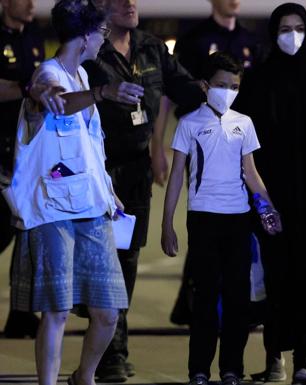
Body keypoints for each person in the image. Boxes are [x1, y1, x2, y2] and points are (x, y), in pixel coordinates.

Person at [3, 0, 144, 383]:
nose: (103, 40)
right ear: (85, 36)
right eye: (100, 33)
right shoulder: (48, 74)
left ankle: (84, 375)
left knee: (108, 311)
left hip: (92, 204)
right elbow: (52, 99)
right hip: (51, 209)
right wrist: (104, 93)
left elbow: (89, 145)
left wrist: (108, 188)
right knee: (57, 310)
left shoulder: (81, 74)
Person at [81, 0, 206, 381]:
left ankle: (112, 349)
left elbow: (182, 87)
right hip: (97, 169)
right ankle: (107, 351)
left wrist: (211, 88)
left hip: (135, 171)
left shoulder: (151, 47)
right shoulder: (88, 51)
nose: (130, 4)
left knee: (127, 259)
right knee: (98, 260)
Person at [161, 51, 280, 385]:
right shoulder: (189, 124)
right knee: (205, 298)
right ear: (204, 85)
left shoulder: (244, 123)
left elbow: (252, 173)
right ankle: (198, 369)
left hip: (238, 219)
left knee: (237, 300)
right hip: (202, 219)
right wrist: (166, 223)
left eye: (234, 86)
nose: (227, 91)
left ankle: (232, 369)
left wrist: (268, 208)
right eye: (221, 85)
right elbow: (176, 177)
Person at [235, 3, 306, 384]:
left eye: (298, 27)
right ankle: (274, 356)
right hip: (270, 193)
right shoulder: (259, 79)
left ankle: (303, 364)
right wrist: (258, 197)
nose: (292, 35)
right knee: (274, 277)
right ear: (272, 32)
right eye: (284, 28)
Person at [167, 0, 262, 327]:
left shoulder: (250, 41)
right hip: (202, 141)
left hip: (238, 139)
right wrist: (158, 148)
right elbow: (171, 93)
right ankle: (194, 304)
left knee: (239, 229)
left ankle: (237, 306)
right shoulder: (194, 39)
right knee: (205, 225)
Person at [0, 0, 43, 339]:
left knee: (27, 232)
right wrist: (26, 89)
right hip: (1, 146)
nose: (31, 4)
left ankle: (21, 313)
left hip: (27, 151)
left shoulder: (36, 37)